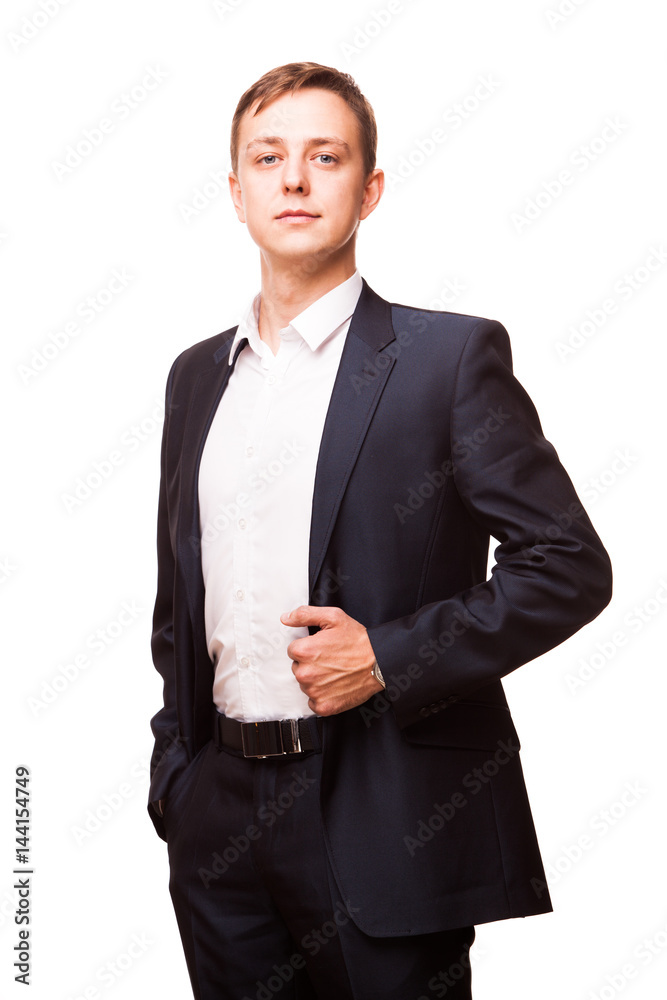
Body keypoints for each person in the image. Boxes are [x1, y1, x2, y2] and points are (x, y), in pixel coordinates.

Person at [147, 61, 612, 1000]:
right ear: (235, 193)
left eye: (325, 156)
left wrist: (390, 659)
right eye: (268, 157)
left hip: (385, 812)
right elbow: (179, 599)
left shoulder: (446, 359)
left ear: (369, 188)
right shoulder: (196, 377)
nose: (294, 179)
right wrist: (178, 781)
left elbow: (567, 564)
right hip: (219, 822)